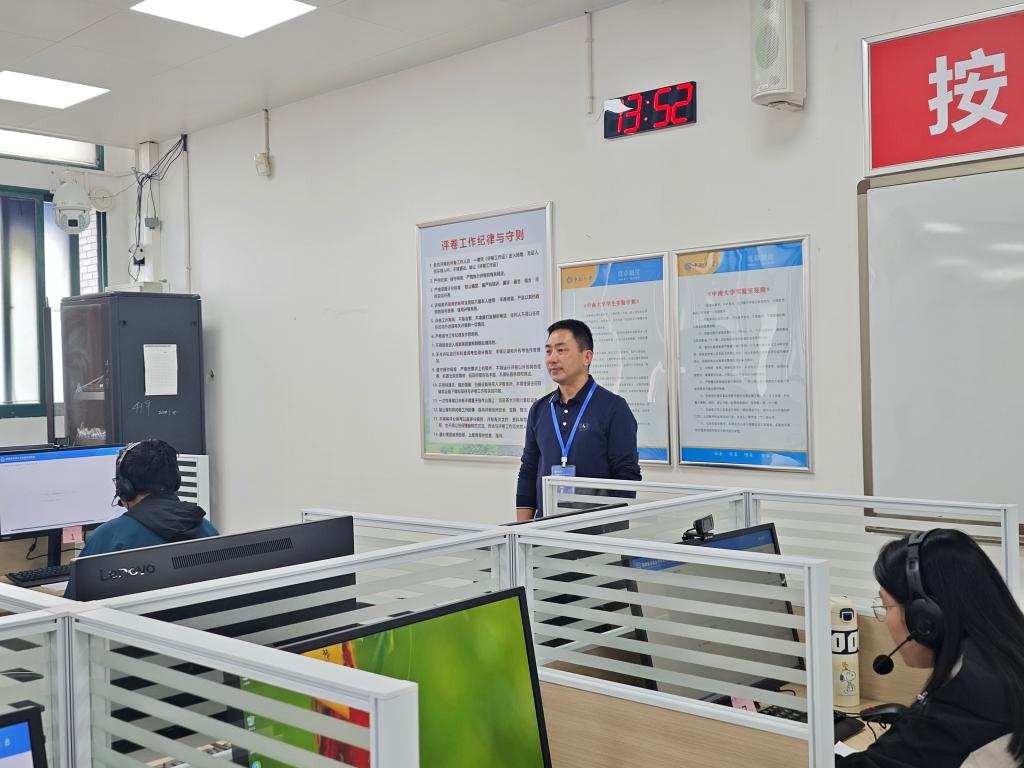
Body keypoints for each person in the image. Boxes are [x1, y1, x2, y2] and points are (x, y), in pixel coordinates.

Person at [837, 529, 1024, 767]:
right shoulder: (1002, 660)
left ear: (924, 619)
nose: (885, 619)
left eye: (886, 606)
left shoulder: (964, 699)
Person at [515, 319, 641, 521]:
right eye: (548, 351)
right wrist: (521, 529)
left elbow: (627, 477)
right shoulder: (540, 409)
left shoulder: (614, 408)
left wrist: (608, 526)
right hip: (544, 528)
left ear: (587, 357)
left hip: (595, 531)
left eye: (561, 350)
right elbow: (528, 471)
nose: (552, 359)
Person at [78, 439, 218, 558]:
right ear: (176, 481)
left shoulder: (107, 539)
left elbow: (80, 582)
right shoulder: (206, 528)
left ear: (125, 488)